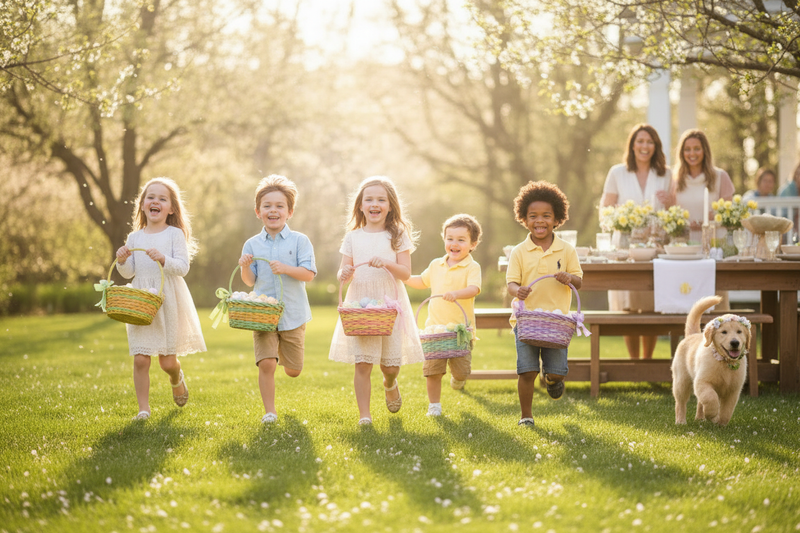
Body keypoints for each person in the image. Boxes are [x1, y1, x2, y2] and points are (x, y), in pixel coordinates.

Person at [328, 176, 424, 426]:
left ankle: (390, 382)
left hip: (389, 302)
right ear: (360, 205)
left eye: (381, 199)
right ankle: (365, 416)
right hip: (360, 303)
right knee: (363, 363)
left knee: (390, 365)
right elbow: (342, 273)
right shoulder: (352, 237)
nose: (375, 204)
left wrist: (388, 263)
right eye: (369, 199)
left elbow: (405, 273)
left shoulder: (398, 234)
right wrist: (345, 274)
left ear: (390, 206)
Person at [116, 177, 206, 421]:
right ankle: (143, 409)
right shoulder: (135, 237)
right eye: (150, 197)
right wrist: (123, 260)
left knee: (167, 362)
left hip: (168, 300)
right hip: (142, 302)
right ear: (143, 205)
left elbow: (183, 268)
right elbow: (129, 273)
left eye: (162, 199)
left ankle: (176, 377)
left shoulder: (174, 234)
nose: (155, 201)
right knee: (141, 359)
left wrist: (164, 259)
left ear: (171, 208)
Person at [239, 175, 317, 424]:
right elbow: (250, 282)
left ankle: (284, 354)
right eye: (267, 205)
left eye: (279, 205)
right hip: (263, 314)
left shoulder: (300, 241)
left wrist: (285, 268)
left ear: (290, 211)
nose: (273, 210)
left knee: (293, 371)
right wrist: (244, 267)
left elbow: (309, 274)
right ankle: (270, 411)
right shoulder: (251, 244)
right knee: (267, 365)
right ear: (258, 211)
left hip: (293, 314)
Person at [507, 181, 582, 428]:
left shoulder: (566, 249)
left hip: (557, 322)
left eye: (546, 216)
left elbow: (578, 281)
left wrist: (569, 278)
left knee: (558, 371)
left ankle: (551, 380)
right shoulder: (519, 251)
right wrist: (520, 291)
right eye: (533, 216)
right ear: (524, 219)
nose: (540, 221)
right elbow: (511, 284)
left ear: (557, 218)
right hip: (527, 321)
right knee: (526, 371)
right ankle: (526, 416)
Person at [599, 123, 669, 360]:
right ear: (632, 145)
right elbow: (605, 210)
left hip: (655, 247)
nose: (644, 146)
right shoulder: (618, 172)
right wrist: (620, 218)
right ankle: (633, 360)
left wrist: (669, 202)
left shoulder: (666, 174)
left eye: (649, 142)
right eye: (640, 141)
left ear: (655, 146)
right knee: (627, 305)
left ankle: (647, 360)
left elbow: (674, 209)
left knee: (650, 304)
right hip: (624, 247)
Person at [405, 214, 482, 417]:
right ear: (444, 239)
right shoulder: (435, 265)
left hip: (460, 331)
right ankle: (434, 406)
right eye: (450, 238)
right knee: (433, 370)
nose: (454, 244)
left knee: (462, 371)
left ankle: (458, 379)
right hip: (435, 330)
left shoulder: (472, 267)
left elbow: (474, 288)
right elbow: (421, 282)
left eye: (461, 240)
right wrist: (403, 278)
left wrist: (456, 294)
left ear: (473, 244)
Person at [665, 129, 734, 243]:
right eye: (687, 149)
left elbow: (729, 215)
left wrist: (710, 220)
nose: (692, 154)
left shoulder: (720, 176)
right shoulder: (675, 179)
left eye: (697, 149)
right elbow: (672, 215)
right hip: (684, 243)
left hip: (714, 243)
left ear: (704, 151)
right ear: (682, 153)